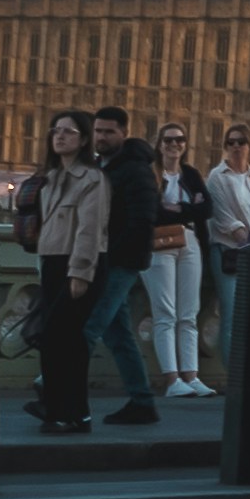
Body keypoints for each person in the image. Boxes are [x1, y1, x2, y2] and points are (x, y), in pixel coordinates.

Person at [24, 111, 112, 434]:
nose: (59, 136)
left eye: (68, 132)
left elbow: (90, 230)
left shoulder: (93, 179)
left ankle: (63, 409)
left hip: (79, 264)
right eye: (55, 130)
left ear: (84, 140)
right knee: (66, 340)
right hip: (53, 263)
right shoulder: (49, 178)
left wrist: (80, 273)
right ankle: (73, 412)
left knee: (59, 338)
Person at [83, 107, 164, 425]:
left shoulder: (135, 170)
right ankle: (142, 401)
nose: (101, 137)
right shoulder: (102, 165)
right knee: (118, 335)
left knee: (88, 328)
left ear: (123, 133)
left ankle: (53, 390)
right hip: (105, 258)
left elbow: (144, 219)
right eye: (98, 131)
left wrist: (115, 253)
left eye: (108, 131)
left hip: (121, 261)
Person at [146, 122, 213, 399]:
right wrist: (188, 210)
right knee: (165, 313)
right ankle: (172, 379)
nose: (174, 144)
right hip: (159, 244)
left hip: (190, 243)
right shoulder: (151, 175)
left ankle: (191, 376)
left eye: (180, 140)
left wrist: (176, 208)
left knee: (189, 313)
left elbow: (206, 208)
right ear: (159, 144)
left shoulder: (191, 174)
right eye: (169, 140)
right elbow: (152, 213)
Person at [203, 122, 250, 373]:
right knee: (230, 315)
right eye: (230, 142)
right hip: (228, 253)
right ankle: (235, 376)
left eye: (241, 142)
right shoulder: (216, 177)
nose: (235, 147)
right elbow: (225, 220)